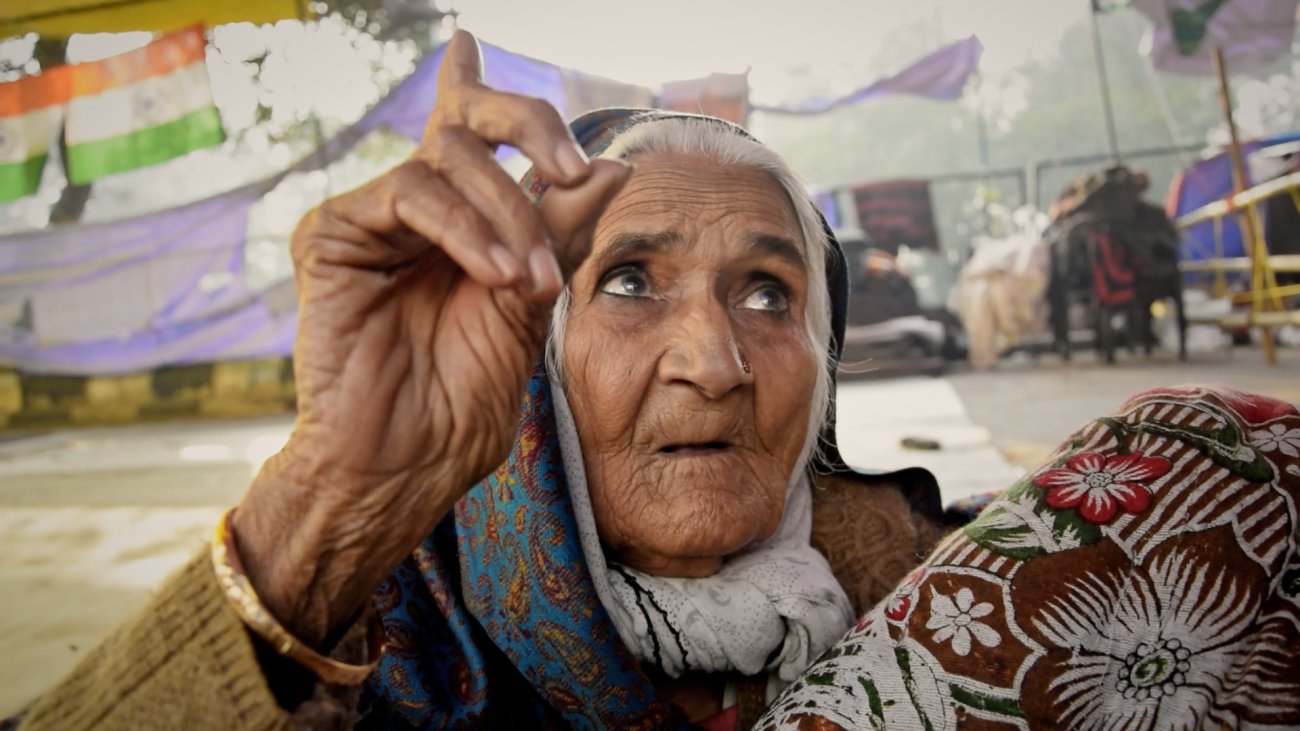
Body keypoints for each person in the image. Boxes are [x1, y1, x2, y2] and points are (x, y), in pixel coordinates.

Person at [10, 32, 1300, 731]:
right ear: (532, 358)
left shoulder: (960, 590)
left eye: (767, 291)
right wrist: (331, 498)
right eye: (629, 279)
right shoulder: (384, 647)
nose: (715, 363)